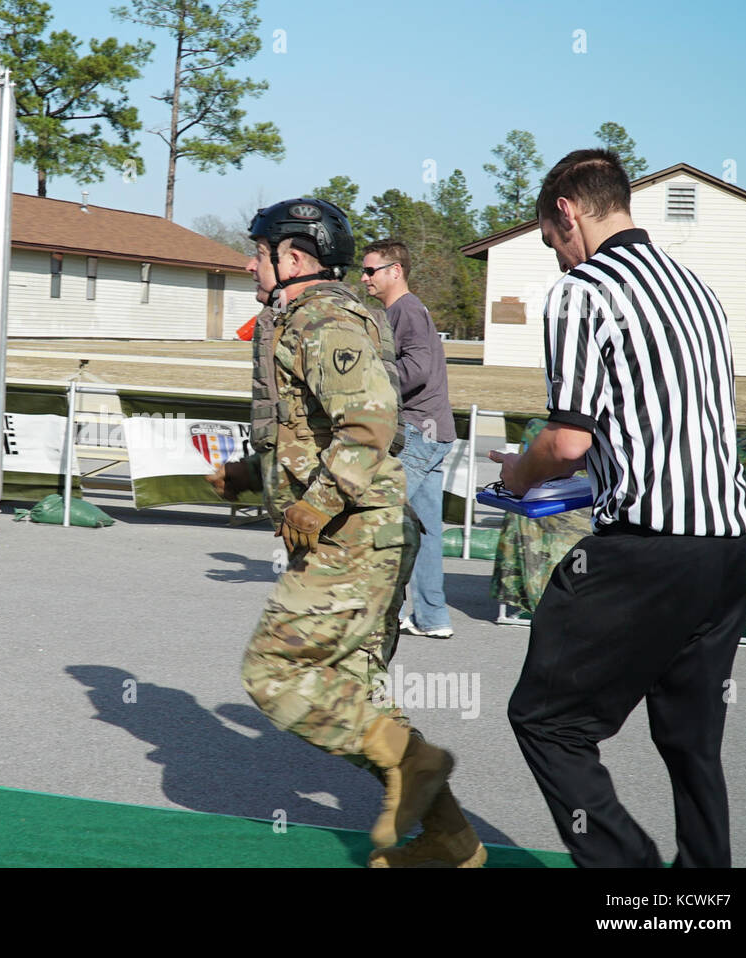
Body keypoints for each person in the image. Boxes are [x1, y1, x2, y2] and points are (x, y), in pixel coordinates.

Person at [490, 149, 746, 867]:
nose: (557, 260)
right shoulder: (696, 287)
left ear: (567, 213)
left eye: (553, 243)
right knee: (691, 740)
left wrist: (519, 476)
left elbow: (570, 440)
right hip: (728, 541)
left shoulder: (584, 291)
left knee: (547, 720)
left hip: (648, 547)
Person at [209, 198, 485, 868]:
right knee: (355, 701)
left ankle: (416, 762)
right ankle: (452, 841)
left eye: (260, 252)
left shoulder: (324, 315)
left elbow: (369, 421)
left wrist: (314, 504)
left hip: (355, 532)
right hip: (360, 527)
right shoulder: (298, 317)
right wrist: (254, 473)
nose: (251, 265)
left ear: (294, 258)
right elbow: (315, 428)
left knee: (272, 670)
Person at [361, 239, 457, 638]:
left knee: (376, 520)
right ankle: (432, 618)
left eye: (371, 271)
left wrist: (365, 378)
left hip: (419, 433)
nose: (364, 277)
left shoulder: (406, 311)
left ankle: (365, 616)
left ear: (395, 271)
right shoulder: (404, 310)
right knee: (424, 531)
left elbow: (414, 369)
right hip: (436, 432)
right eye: (363, 270)